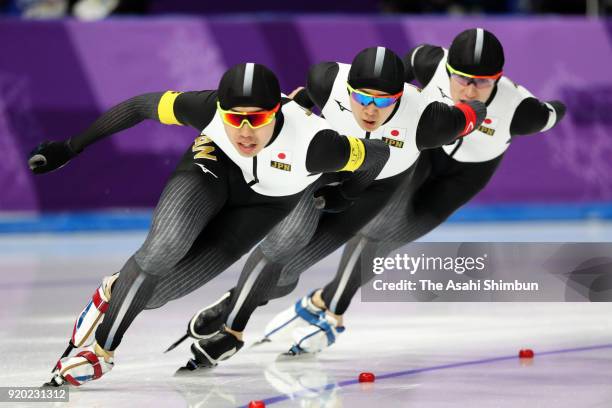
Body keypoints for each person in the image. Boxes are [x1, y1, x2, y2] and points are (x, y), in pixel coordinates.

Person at [30, 62, 392, 386]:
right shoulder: (205, 108)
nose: (245, 132)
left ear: (276, 112)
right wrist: (70, 147)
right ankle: (102, 352)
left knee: (152, 296)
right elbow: (139, 106)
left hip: (265, 205)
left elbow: (377, 155)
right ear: (221, 110)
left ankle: (113, 289)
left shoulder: (317, 144)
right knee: (163, 248)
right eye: (235, 118)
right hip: (212, 168)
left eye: (258, 119)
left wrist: (346, 193)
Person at [171, 46, 487, 369]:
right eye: (362, 97)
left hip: (376, 188)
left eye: (383, 101)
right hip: (330, 168)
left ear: (400, 98)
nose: (370, 109)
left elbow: (473, 115)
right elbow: (305, 99)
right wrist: (298, 107)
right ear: (347, 88)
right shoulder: (327, 79)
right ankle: (232, 331)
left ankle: (234, 299)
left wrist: (474, 104)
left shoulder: (430, 120)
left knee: (291, 270)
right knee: (279, 247)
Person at [261, 28, 567, 356]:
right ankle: (330, 311)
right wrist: (307, 99)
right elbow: (384, 85)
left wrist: (560, 102)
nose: (471, 90)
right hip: (423, 152)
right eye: (463, 79)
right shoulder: (427, 61)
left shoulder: (522, 111)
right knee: (375, 228)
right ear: (448, 67)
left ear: (499, 78)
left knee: (390, 238)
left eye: (484, 82)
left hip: (462, 177)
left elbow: (555, 110)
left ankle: (326, 303)